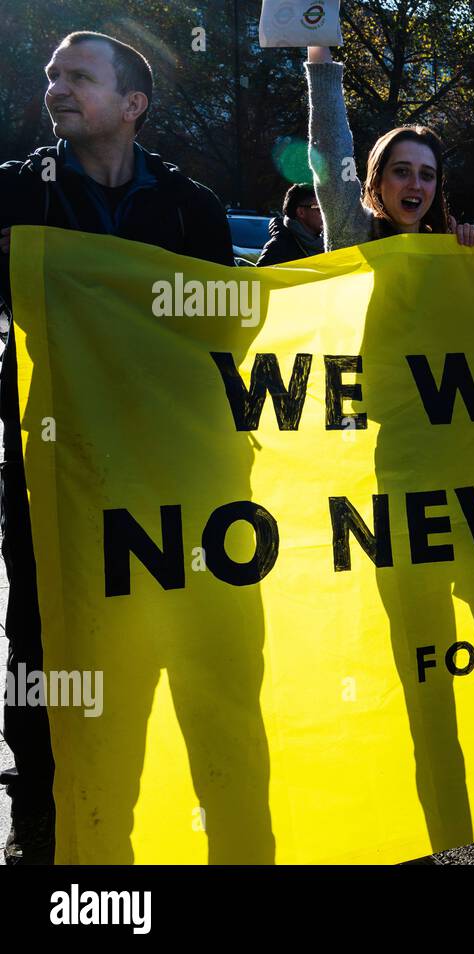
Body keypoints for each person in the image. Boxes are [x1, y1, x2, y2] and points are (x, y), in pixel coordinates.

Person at [0, 30, 232, 865]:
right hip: (52, 482)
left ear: (133, 104)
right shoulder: (13, 197)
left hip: (175, 485)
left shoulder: (191, 207)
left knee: (183, 660)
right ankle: (47, 835)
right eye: (53, 75)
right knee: (45, 659)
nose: (57, 87)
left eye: (79, 77)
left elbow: (231, 335)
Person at [304, 45, 474, 249]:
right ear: (378, 180)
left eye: (426, 175)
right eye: (402, 171)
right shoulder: (354, 234)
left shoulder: (451, 246)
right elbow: (332, 148)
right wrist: (317, 34)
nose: (415, 184)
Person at [257, 182, 324, 265]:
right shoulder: (278, 249)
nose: (325, 214)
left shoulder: (327, 244)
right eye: (319, 208)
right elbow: (260, 277)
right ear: (301, 212)